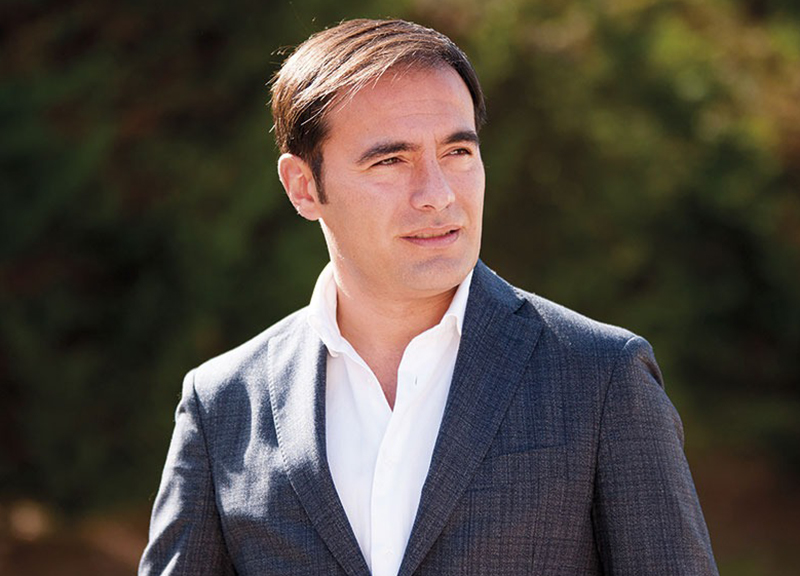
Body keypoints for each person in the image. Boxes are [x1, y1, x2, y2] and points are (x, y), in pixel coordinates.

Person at [139, 18, 718, 576]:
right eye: (391, 160)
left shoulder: (601, 377)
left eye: (457, 152)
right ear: (303, 186)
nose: (438, 194)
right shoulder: (222, 404)